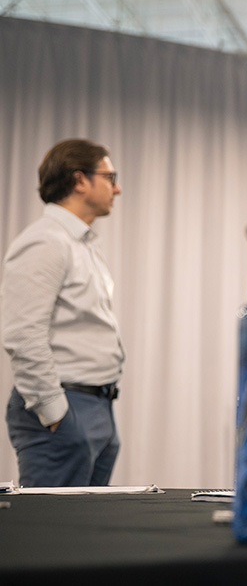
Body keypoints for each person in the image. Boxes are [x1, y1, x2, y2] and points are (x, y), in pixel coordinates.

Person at [2, 138, 126, 487]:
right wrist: (53, 411)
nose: (117, 188)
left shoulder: (81, 244)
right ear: (79, 180)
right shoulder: (45, 241)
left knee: (84, 536)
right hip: (64, 409)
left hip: (96, 405)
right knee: (52, 537)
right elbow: (23, 335)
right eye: (109, 176)